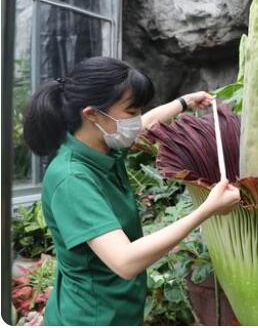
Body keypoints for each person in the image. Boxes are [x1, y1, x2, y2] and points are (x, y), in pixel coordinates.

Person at [22, 56, 241, 325]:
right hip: (91, 318)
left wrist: (184, 103)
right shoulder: (71, 180)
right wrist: (206, 210)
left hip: (119, 312)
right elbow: (124, 261)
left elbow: (143, 124)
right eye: (131, 110)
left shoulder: (100, 145)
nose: (136, 120)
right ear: (92, 114)